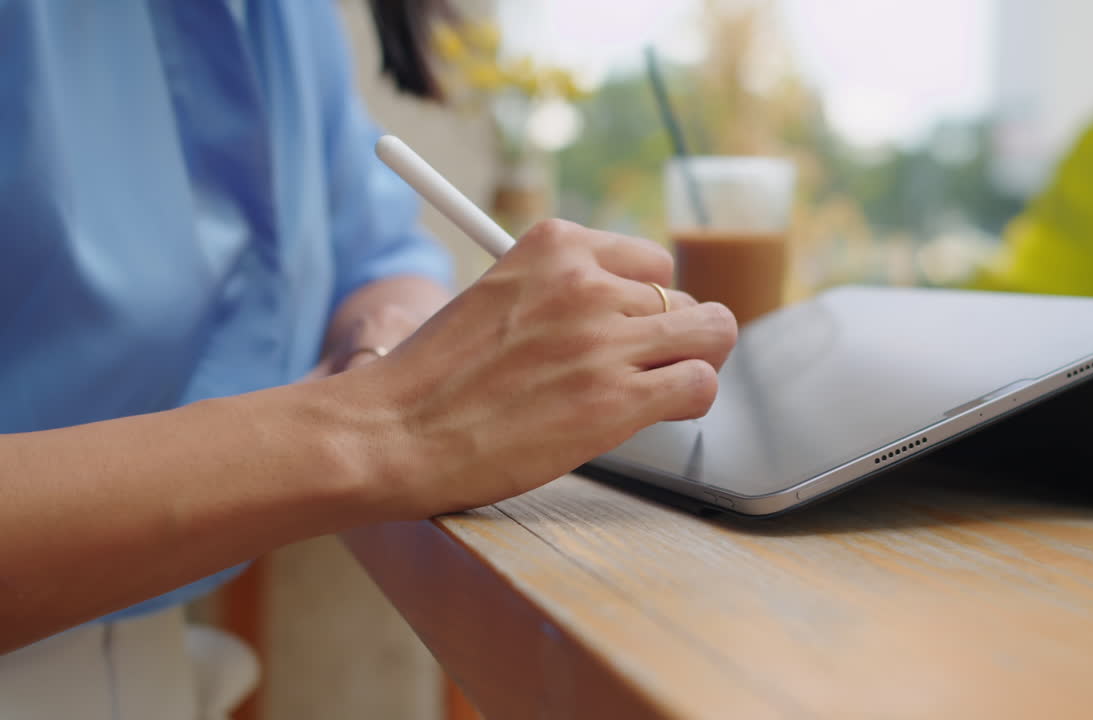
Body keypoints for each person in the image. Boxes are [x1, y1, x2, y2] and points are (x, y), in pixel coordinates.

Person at [0, 0, 737, 716]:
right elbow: (381, 408)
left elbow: (374, 251)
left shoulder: (283, 17)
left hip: (141, 657)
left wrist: (391, 342)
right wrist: (385, 427)